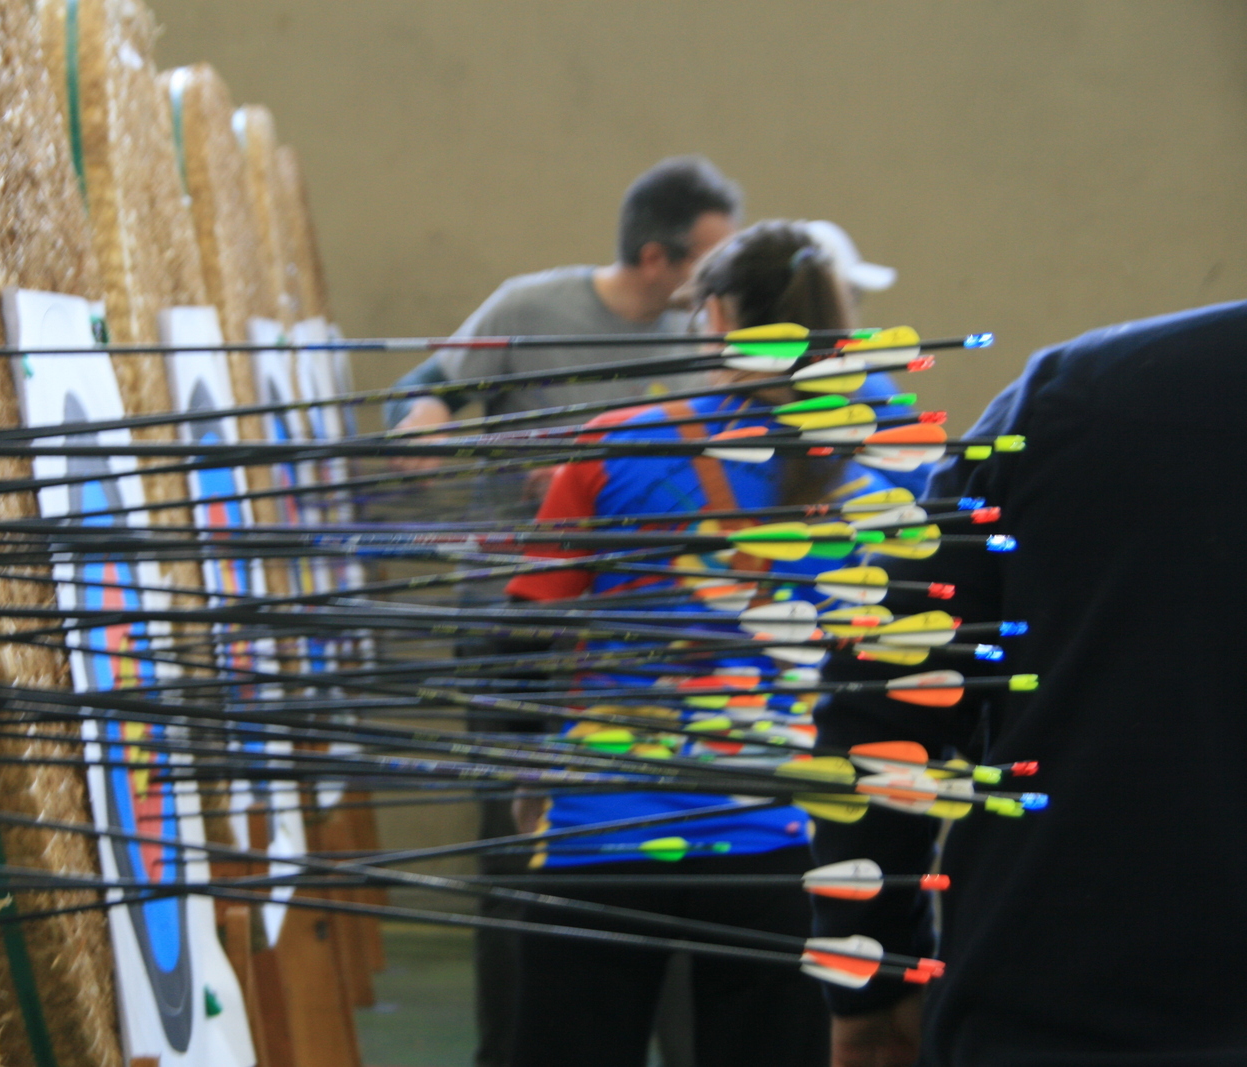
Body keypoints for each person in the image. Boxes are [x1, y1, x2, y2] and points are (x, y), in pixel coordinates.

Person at [499, 220, 908, 1067]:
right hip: (779, 842)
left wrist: (526, 767)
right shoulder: (875, 475)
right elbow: (885, 666)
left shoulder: (616, 440)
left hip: (602, 830)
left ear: (717, 316)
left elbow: (521, 635)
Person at [809, 300, 1247, 1066]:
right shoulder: (1067, 396)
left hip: (1053, 1009)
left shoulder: (1075, 393)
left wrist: (873, 977)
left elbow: (881, 686)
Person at [383, 155, 742, 441]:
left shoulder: (704, 335)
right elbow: (415, 390)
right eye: (710, 263)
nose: (722, 279)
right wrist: (425, 412)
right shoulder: (525, 307)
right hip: (525, 512)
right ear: (654, 259)